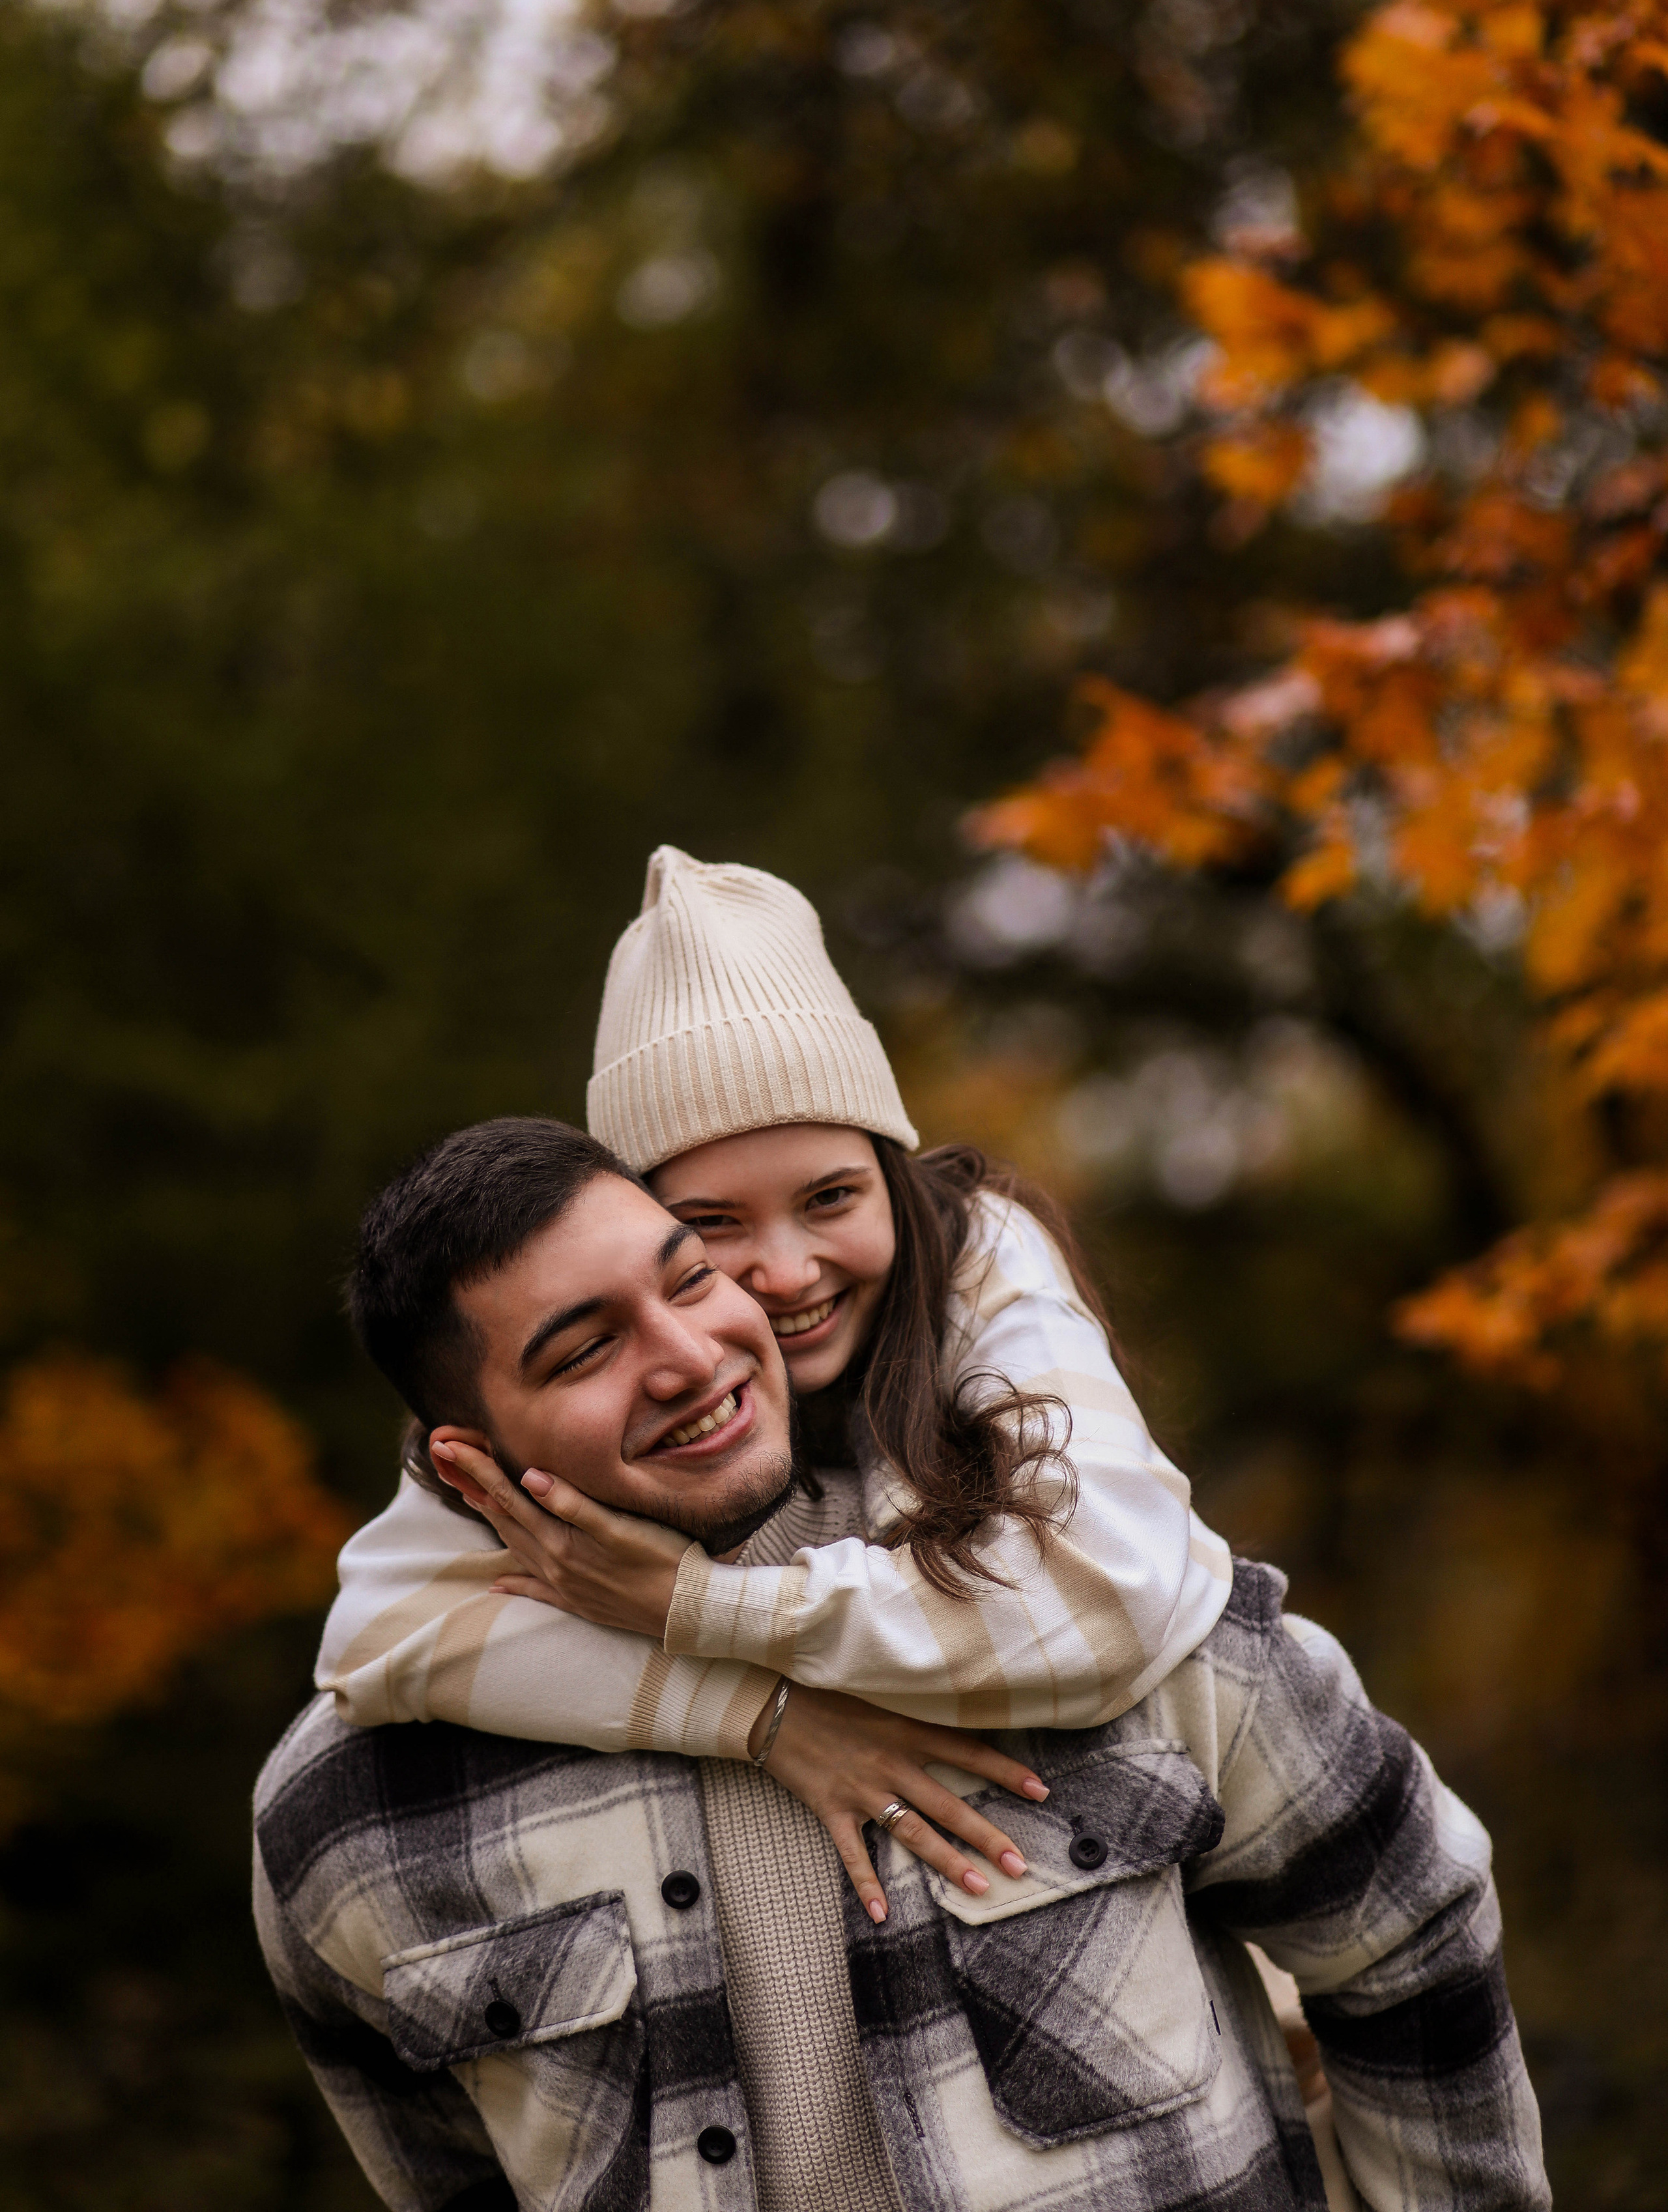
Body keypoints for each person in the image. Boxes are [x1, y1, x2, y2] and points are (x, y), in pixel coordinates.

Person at [255, 1117, 1549, 2212]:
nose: (693, 1354)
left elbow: (1405, 1930)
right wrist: (762, 1718)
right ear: (467, 1465)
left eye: (690, 1276)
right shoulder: (350, 1817)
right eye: (584, 1348)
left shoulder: (1062, 1608)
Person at [317, 847, 1233, 1919]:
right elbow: (380, 1632)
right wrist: (769, 1719)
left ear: (893, 1176)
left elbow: (1112, 1602)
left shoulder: (977, 1255)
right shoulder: (563, 1404)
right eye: (711, 1227)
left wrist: (690, 1607)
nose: (790, 1272)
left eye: (833, 1197)